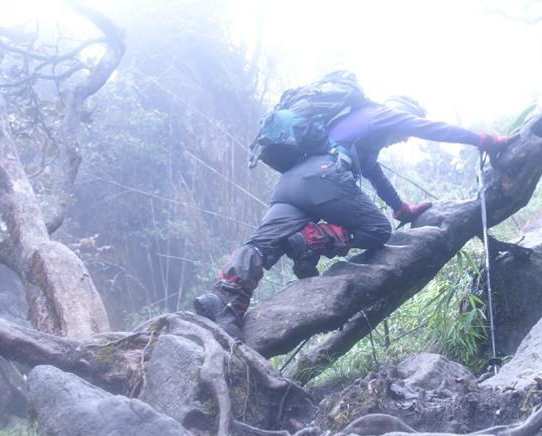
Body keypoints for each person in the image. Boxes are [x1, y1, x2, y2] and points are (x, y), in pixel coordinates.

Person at [194, 94, 517, 338]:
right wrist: (481, 139)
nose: (402, 138)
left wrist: (402, 209)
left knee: (263, 246)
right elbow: (426, 128)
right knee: (377, 229)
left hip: (289, 185)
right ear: (401, 111)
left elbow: (377, 176)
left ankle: (224, 301)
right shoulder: (378, 113)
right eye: (401, 131)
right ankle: (307, 241)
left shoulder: (352, 136)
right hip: (322, 177)